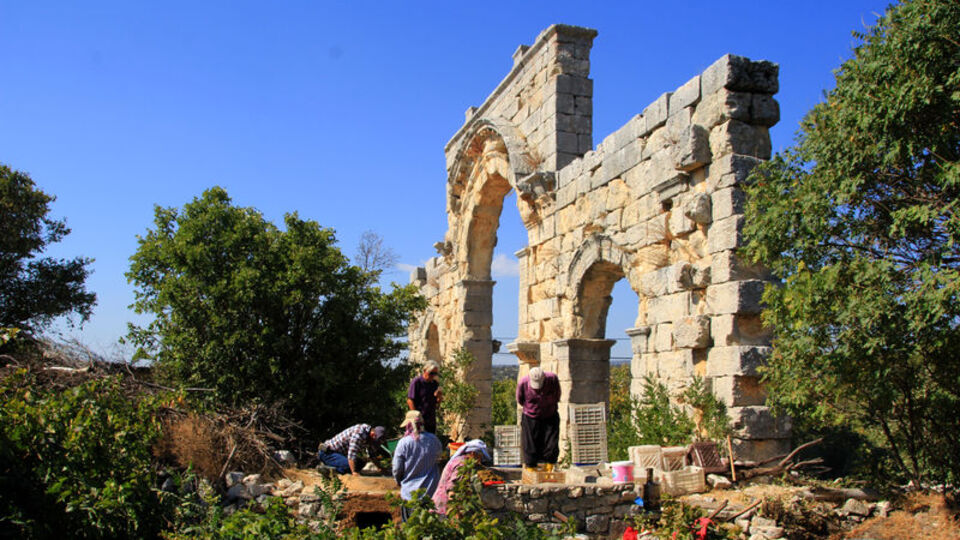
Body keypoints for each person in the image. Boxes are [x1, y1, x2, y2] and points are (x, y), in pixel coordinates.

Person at [391, 410, 442, 521]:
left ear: (408, 425)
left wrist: (398, 480)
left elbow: (397, 468)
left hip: (410, 494)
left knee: (410, 526)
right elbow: (439, 459)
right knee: (430, 526)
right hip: (431, 493)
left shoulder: (404, 443)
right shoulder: (434, 440)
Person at [516, 366, 561, 472]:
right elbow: (520, 399)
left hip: (550, 414)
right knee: (530, 443)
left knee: (551, 441)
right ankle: (531, 466)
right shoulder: (523, 382)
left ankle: (550, 465)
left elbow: (557, 394)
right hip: (530, 416)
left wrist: (550, 404)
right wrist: (531, 408)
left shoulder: (552, 379)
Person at [431, 439, 490, 515]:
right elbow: (453, 489)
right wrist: (455, 511)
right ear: (473, 453)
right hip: (444, 508)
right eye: (480, 457)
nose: (480, 460)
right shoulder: (462, 464)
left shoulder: (461, 460)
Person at [317, 423, 386, 475]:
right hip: (327, 453)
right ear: (373, 435)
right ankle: (327, 469)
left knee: (360, 463)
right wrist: (354, 472)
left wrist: (380, 468)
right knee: (348, 466)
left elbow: (371, 454)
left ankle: (336, 467)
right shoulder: (359, 433)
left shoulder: (368, 437)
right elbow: (351, 455)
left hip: (338, 454)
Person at [407, 361, 442, 433]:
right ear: (425, 371)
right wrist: (416, 417)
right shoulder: (417, 382)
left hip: (431, 421)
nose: (433, 376)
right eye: (431, 373)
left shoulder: (434, 384)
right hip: (419, 420)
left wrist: (439, 396)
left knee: (430, 439)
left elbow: (437, 403)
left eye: (435, 374)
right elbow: (410, 400)